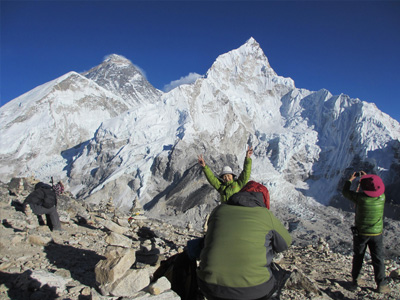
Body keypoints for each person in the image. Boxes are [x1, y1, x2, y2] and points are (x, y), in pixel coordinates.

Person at [197, 181, 292, 300]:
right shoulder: (265, 215)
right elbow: (285, 243)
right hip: (254, 291)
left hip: (209, 287)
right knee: (279, 275)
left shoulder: (218, 210)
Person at [342, 171, 390, 293]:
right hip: (377, 234)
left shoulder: (360, 198)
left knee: (358, 256)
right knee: (378, 258)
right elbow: (374, 188)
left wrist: (350, 180)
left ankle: (356, 280)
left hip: (361, 233)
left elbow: (346, 192)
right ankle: (381, 284)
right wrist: (367, 178)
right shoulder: (382, 197)